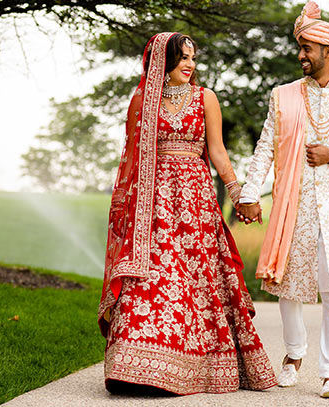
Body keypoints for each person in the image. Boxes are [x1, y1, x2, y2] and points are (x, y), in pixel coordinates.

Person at [98, 32, 277, 395]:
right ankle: (133, 368)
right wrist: (130, 209)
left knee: (195, 280)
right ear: (161, 61)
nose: (189, 65)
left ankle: (193, 369)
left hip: (195, 203)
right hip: (153, 204)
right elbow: (131, 158)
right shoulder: (141, 100)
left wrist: (239, 192)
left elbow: (218, 151)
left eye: (193, 58)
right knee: (151, 277)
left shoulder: (205, 97)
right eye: (181, 58)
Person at [236, 2, 329, 399]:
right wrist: (249, 192)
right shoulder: (282, 96)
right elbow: (265, 147)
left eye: (307, 48)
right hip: (293, 205)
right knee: (287, 285)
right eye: (299, 48)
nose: (300, 55)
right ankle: (294, 352)